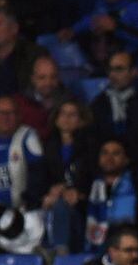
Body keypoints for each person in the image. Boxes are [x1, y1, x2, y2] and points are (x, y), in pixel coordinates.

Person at [90, 51, 138, 169]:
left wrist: (128, 161)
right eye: (110, 69)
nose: (113, 75)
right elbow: (93, 140)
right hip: (105, 169)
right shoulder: (99, 103)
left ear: (134, 72)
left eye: (119, 69)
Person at [41, 99, 98, 252]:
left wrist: (78, 192)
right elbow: (40, 176)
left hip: (81, 204)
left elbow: (93, 176)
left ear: (81, 120)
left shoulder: (90, 145)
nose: (66, 118)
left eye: (72, 115)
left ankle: (60, 253)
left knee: (61, 206)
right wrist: (50, 192)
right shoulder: (47, 145)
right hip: (52, 200)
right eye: (63, 114)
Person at [60, 0, 138, 71]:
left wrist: (116, 27)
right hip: (104, 66)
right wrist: (72, 30)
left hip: (133, 69)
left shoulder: (137, 7)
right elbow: (92, 19)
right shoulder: (102, 4)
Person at [82, 139, 138, 254]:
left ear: (126, 159)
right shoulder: (86, 187)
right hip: (94, 246)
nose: (109, 158)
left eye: (116, 153)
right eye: (105, 153)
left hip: (130, 246)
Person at [15, 56, 71, 142]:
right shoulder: (19, 103)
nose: (48, 82)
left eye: (53, 77)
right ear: (33, 79)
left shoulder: (69, 102)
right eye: (42, 78)